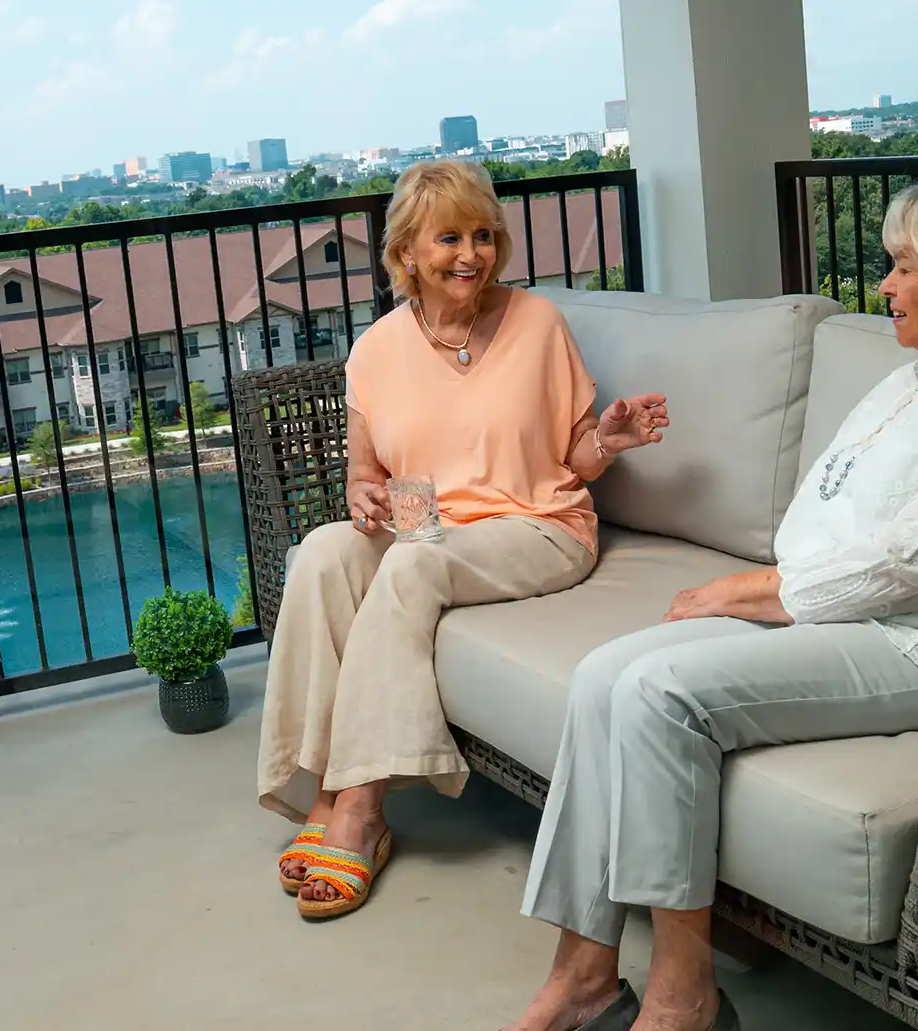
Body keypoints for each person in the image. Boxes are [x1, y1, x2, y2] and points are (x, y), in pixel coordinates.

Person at [508, 168, 918, 1031]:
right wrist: (771, 592)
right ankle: (581, 975)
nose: (884, 286)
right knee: (604, 678)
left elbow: (909, 560)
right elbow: (824, 517)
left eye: (903, 267)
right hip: (839, 614)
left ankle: (681, 995)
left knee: (661, 692)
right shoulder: (915, 381)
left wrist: (752, 591)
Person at [258, 159, 671, 921]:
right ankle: (315, 779)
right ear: (406, 252)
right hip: (429, 522)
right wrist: (364, 498)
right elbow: (363, 474)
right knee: (322, 553)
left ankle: (358, 806)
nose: (470, 254)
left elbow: (574, 456)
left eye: (484, 236)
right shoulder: (377, 348)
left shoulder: (537, 324)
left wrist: (609, 439)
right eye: (449, 237)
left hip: (537, 524)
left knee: (415, 566)